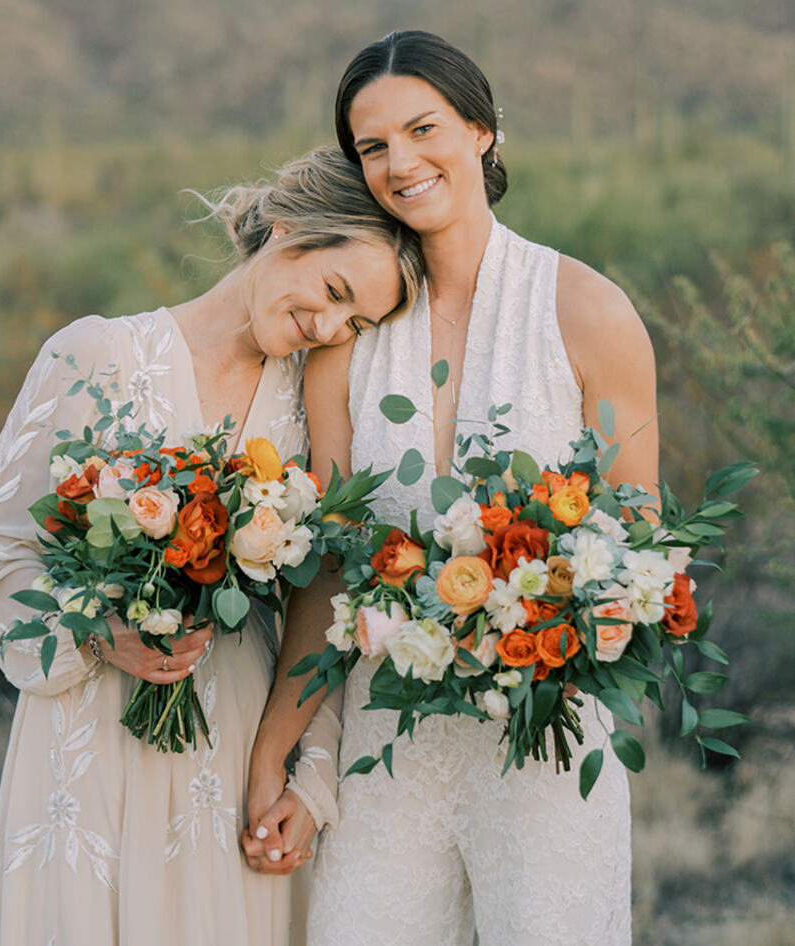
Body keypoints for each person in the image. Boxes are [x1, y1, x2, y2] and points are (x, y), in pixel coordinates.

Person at [0, 144, 423, 946]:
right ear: (285, 229)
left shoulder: (313, 404)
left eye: (358, 322)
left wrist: (309, 771)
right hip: (89, 735)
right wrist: (98, 629)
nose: (331, 326)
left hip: (235, 746)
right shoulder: (94, 355)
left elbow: (325, 591)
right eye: (335, 292)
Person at [247, 31, 657, 945]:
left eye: (423, 128)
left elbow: (642, 546)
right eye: (374, 147)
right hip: (387, 742)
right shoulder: (349, 331)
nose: (401, 163)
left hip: (548, 738)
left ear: (480, 130)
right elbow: (326, 564)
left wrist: (537, 624)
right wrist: (281, 742)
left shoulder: (589, 310)